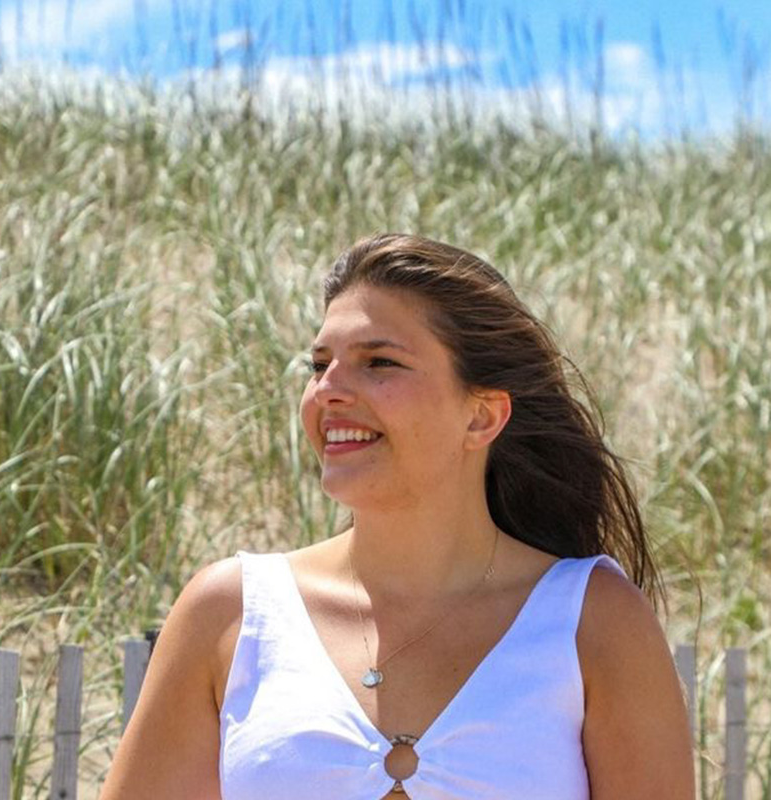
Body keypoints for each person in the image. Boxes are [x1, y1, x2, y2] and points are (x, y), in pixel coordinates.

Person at [99, 233, 696, 799]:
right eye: (318, 364)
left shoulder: (592, 620)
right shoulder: (229, 612)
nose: (328, 389)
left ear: (481, 417)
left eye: (379, 362)